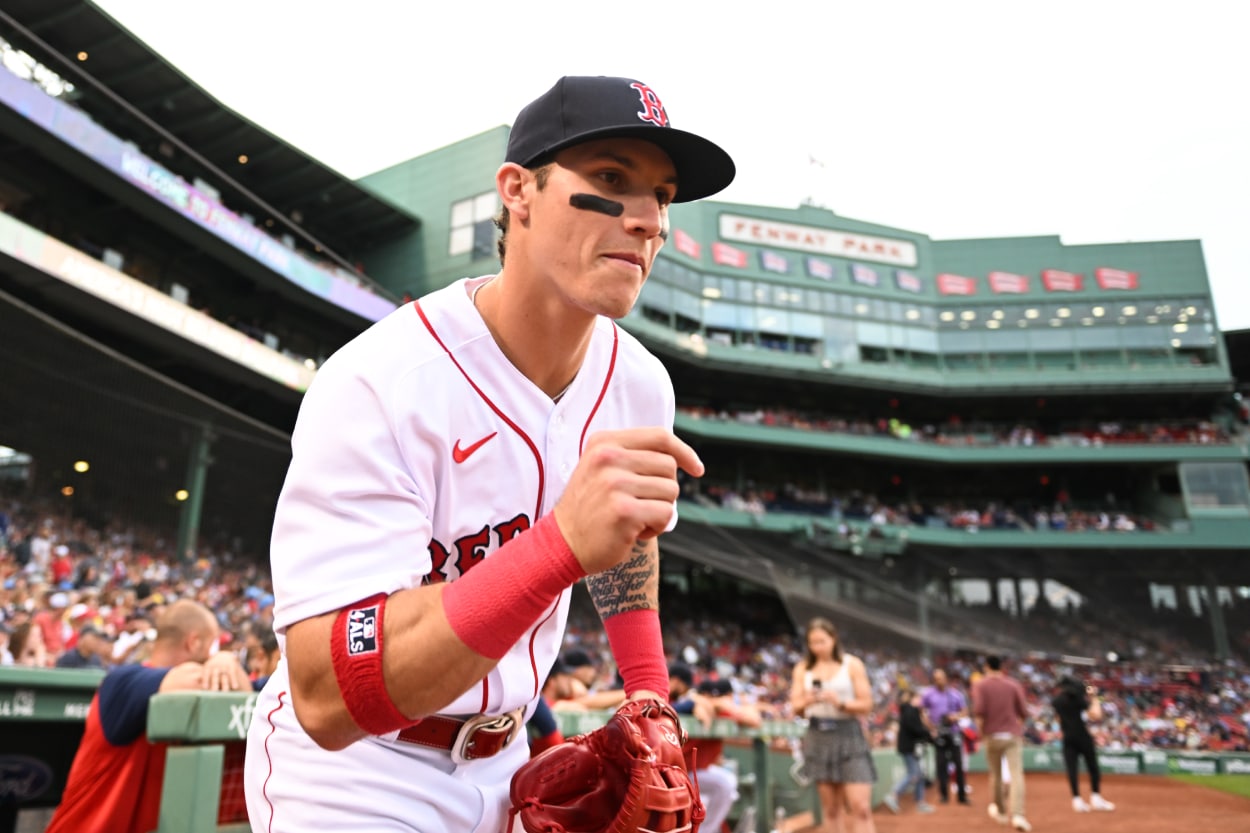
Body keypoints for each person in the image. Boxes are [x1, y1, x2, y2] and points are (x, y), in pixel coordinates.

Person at [243, 74, 735, 833]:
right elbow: (327, 695)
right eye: (611, 179)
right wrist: (556, 548)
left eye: (663, 196)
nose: (647, 219)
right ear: (518, 191)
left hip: (511, 763)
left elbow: (628, 543)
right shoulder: (381, 380)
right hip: (356, 773)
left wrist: (647, 691)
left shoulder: (640, 381)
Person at [44, 599, 252, 833]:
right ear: (194, 643)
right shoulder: (123, 682)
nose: (215, 657)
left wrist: (226, 662)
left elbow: (251, 696)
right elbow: (193, 681)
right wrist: (225, 664)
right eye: (213, 647)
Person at [790, 617, 877, 833]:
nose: (817, 647)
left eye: (822, 641)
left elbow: (867, 704)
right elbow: (796, 706)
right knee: (831, 810)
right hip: (818, 735)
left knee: (862, 807)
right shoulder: (803, 669)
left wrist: (841, 703)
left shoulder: (852, 664)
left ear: (833, 638)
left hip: (849, 734)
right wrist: (808, 700)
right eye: (813, 642)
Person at [669, 664, 741, 833]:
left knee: (727, 783)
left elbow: (753, 719)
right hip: (672, 770)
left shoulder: (696, 702)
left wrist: (708, 704)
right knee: (726, 784)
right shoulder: (684, 702)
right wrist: (699, 702)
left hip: (688, 771)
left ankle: (706, 830)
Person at [972, 656, 1030, 832]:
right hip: (1012, 735)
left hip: (992, 735)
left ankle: (1002, 812)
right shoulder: (1013, 684)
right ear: (1001, 667)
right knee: (1016, 775)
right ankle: (1018, 815)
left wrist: (982, 735)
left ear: (986, 667)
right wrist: (1016, 727)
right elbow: (1024, 712)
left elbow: (979, 713)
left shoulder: (980, 685)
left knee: (996, 776)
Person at [1052, 675, 1116, 812]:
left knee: (1072, 770)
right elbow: (1096, 715)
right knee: (1093, 768)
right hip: (1082, 736)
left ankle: (1077, 800)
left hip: (1067, 738)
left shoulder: (1057, 701)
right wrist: (1094, 697)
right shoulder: (1077, 699)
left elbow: (1057, 719)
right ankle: (1096, 798)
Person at [920, 667, 971, 805]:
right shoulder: (928, 694)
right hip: (939, 733)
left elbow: (965, 711)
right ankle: (944, 795)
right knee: (941, 765)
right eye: (936, 679)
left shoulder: (955, 694)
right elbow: (922, 711)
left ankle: (962, 795)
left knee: (959, 765)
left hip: (954, 731)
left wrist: (956, 716)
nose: (939, 681)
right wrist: (931, 727)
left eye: (941, 678)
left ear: (946, 679)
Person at [882, 688, 935, 815]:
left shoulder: (910, 711)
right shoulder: (911, 711)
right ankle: (893, 795)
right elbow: (916, 729)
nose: (921, 701)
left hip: (912, 748)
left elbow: (916, 729)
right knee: (913, 773)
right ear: (913, 699)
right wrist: (930, 734)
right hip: (909, 748)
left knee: (919, 774)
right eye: (919, 698)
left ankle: (920, 802)